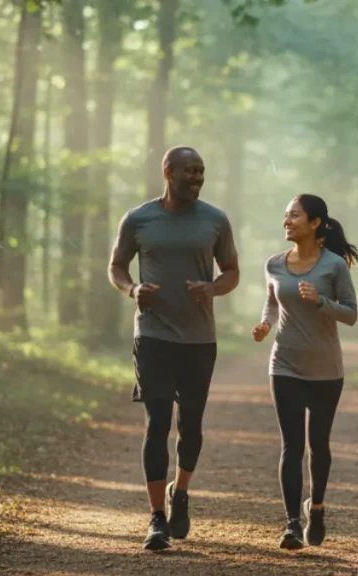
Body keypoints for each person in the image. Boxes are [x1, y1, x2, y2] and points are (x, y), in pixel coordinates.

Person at [108, 146, 240, 551]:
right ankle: (156, 520)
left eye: (201, 171)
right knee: (157, 423)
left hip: (199, 339)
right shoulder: (138, 218)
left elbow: (232, 271)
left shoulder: (215, 220)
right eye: (189, 171)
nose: (197, 177)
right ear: (168, 172)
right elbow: (115, 267)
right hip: (153, 336)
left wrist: (213, 288)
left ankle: (180, 491)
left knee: (192, 426)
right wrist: (133, 290)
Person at [252, 193, 358, 550]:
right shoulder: (273, 264)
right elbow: (271, 302)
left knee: (319, 446)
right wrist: (265, 325)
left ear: (315, 223)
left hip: (327, 369)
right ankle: (292, 524)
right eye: (285, 215)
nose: (287, 221)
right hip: (284, 365)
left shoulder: (333, 266)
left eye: (294, 215)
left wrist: (322, 301)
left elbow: (351, 313)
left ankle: (317, 507)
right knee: (292, 445)